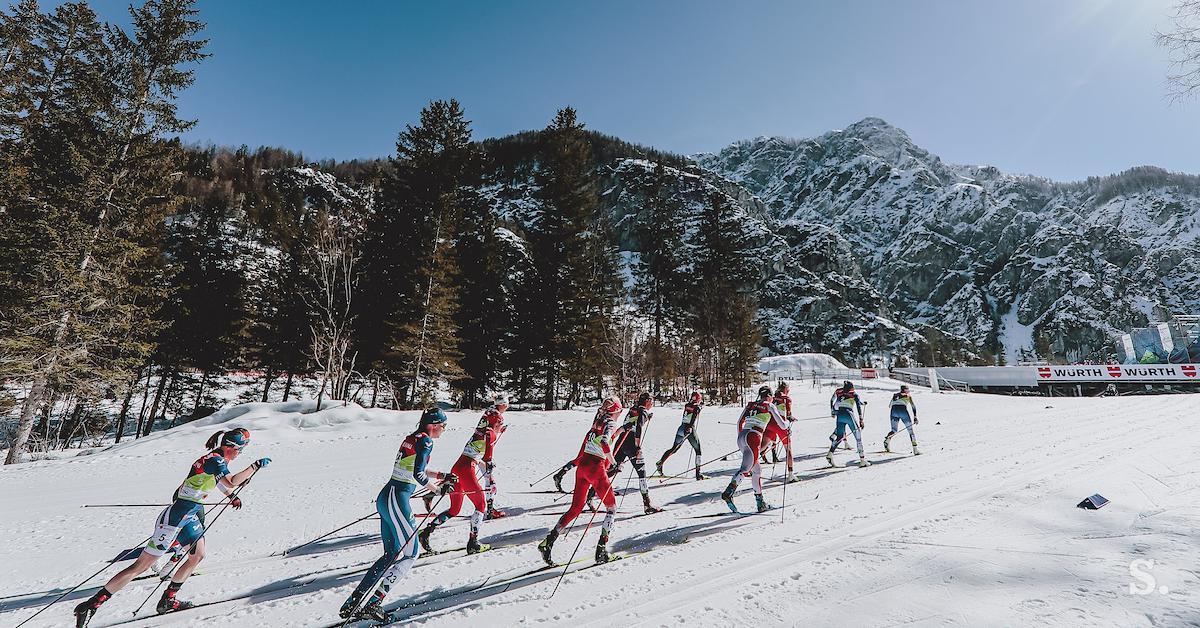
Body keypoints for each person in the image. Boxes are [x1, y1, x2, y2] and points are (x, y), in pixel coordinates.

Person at [73, 429, 270, 626]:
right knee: (141, 566)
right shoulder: (215, 459)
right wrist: (254, 466)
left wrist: (230, 496)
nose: (239, 455)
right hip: (175, 517)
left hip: (190, 513)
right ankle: (90, 606)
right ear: (230, 447)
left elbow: (220, 482)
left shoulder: (219, 460)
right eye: (239, 451)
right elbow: (231, 481)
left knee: (197, 555)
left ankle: (168, 599)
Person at [338, 408, 458, 622]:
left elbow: (416, 467)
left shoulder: (414, 437)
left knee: (391, 553)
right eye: (443, 426)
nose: (444, 430)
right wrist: (438, 489)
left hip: (388, 496)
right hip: (397, 499)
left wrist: (442, 475)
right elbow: (418, 474)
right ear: (434, 425)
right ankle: (373, 603)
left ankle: (353, 602)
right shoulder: (427, 441)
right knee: (411, 553)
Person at [419, 397, 508, 555]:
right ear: (494, 423)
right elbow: (488, 458)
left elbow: (484, 441)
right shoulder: (490, 435)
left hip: (457, 468)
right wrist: (489, 465)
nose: (501, 425)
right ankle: (473, 542)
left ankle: (426, 532)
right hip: (467, 470)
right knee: (480, 506)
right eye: (500, 423)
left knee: (454, 509)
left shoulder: (479, 432)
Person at [538, 402, 619, 565]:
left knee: (576, 508)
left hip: (582, 467)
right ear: (616, 411)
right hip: (596, 468)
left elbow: (602, 437)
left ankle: (549, 541)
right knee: (612, 507)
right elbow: (605, 441)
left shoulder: (598, 420)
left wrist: (624, 430)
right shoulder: (610, 422)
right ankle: (601, 550)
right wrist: (614, 462)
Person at [720, 386, 787, 513]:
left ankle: (760, 503)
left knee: (756, 470)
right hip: (754, 437)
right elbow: (783, 425)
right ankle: (729, 492)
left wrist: (742, 437)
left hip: (742, 436)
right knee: (745, 469)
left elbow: (739, 422)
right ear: (769, 395)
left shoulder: (750, 404)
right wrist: (788, 423)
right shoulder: (769, 405)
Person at [552, 396, 621, 493]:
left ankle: (561, 473)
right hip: (597, 438)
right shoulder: (607, 416)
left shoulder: (601, 412)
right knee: (598, 462)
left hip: (591, 436)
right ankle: (601, 487)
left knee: (581, 459)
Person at [608, 392, 663, 514]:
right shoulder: (643, 411)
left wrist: (646, 418)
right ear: (647, 401)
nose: (652, 404)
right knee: (642, 473)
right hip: (631, 444)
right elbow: (638, 427)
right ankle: (647, 504)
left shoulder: (633, 409)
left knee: (612, 469)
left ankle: (590, 495)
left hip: (621, 442)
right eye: (651, 402)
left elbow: (630, 423)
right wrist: (638, 447)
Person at [655, 391, 705, 480]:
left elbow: (690, 409)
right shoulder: (697, 407)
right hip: (689, 429)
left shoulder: (687, 405)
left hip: (681, 428)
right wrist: (698, 410)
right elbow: (693, 417)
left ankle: (660, 462)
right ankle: (698, 474)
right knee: (698, 450)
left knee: (674, 448)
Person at [827, 381, 869, 467]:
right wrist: (861, 420)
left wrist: (833, 412)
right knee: (858, 437)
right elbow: (858, 407)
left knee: (840, 437)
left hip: (840, 416)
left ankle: (830, 454)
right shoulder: (854, 394)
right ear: (851, 388)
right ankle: (862, 460)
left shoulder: (840, 394)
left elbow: (835, 405)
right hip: (849, 414)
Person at [762, 382, 798, 482]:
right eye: (788, 389)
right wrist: (792, 419)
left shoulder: (772, 397)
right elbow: (789, 415)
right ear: (786, 389)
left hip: (769, 424)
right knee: (788, 449)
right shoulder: (787, 399)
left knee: (762, 447)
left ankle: (750, 467)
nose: (789, 390)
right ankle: (791, 474)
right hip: (780, 425)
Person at [885, 385, 920, 455]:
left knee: (894, 430)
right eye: (907, 389)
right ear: (905, 390)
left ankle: (887, 441)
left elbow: (890, 405)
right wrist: (915, 416)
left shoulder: (895, 395)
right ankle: (915, 450)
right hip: (902, 411)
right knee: (910, 431)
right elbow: (913, 406)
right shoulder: (908, 396)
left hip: (893, 411)